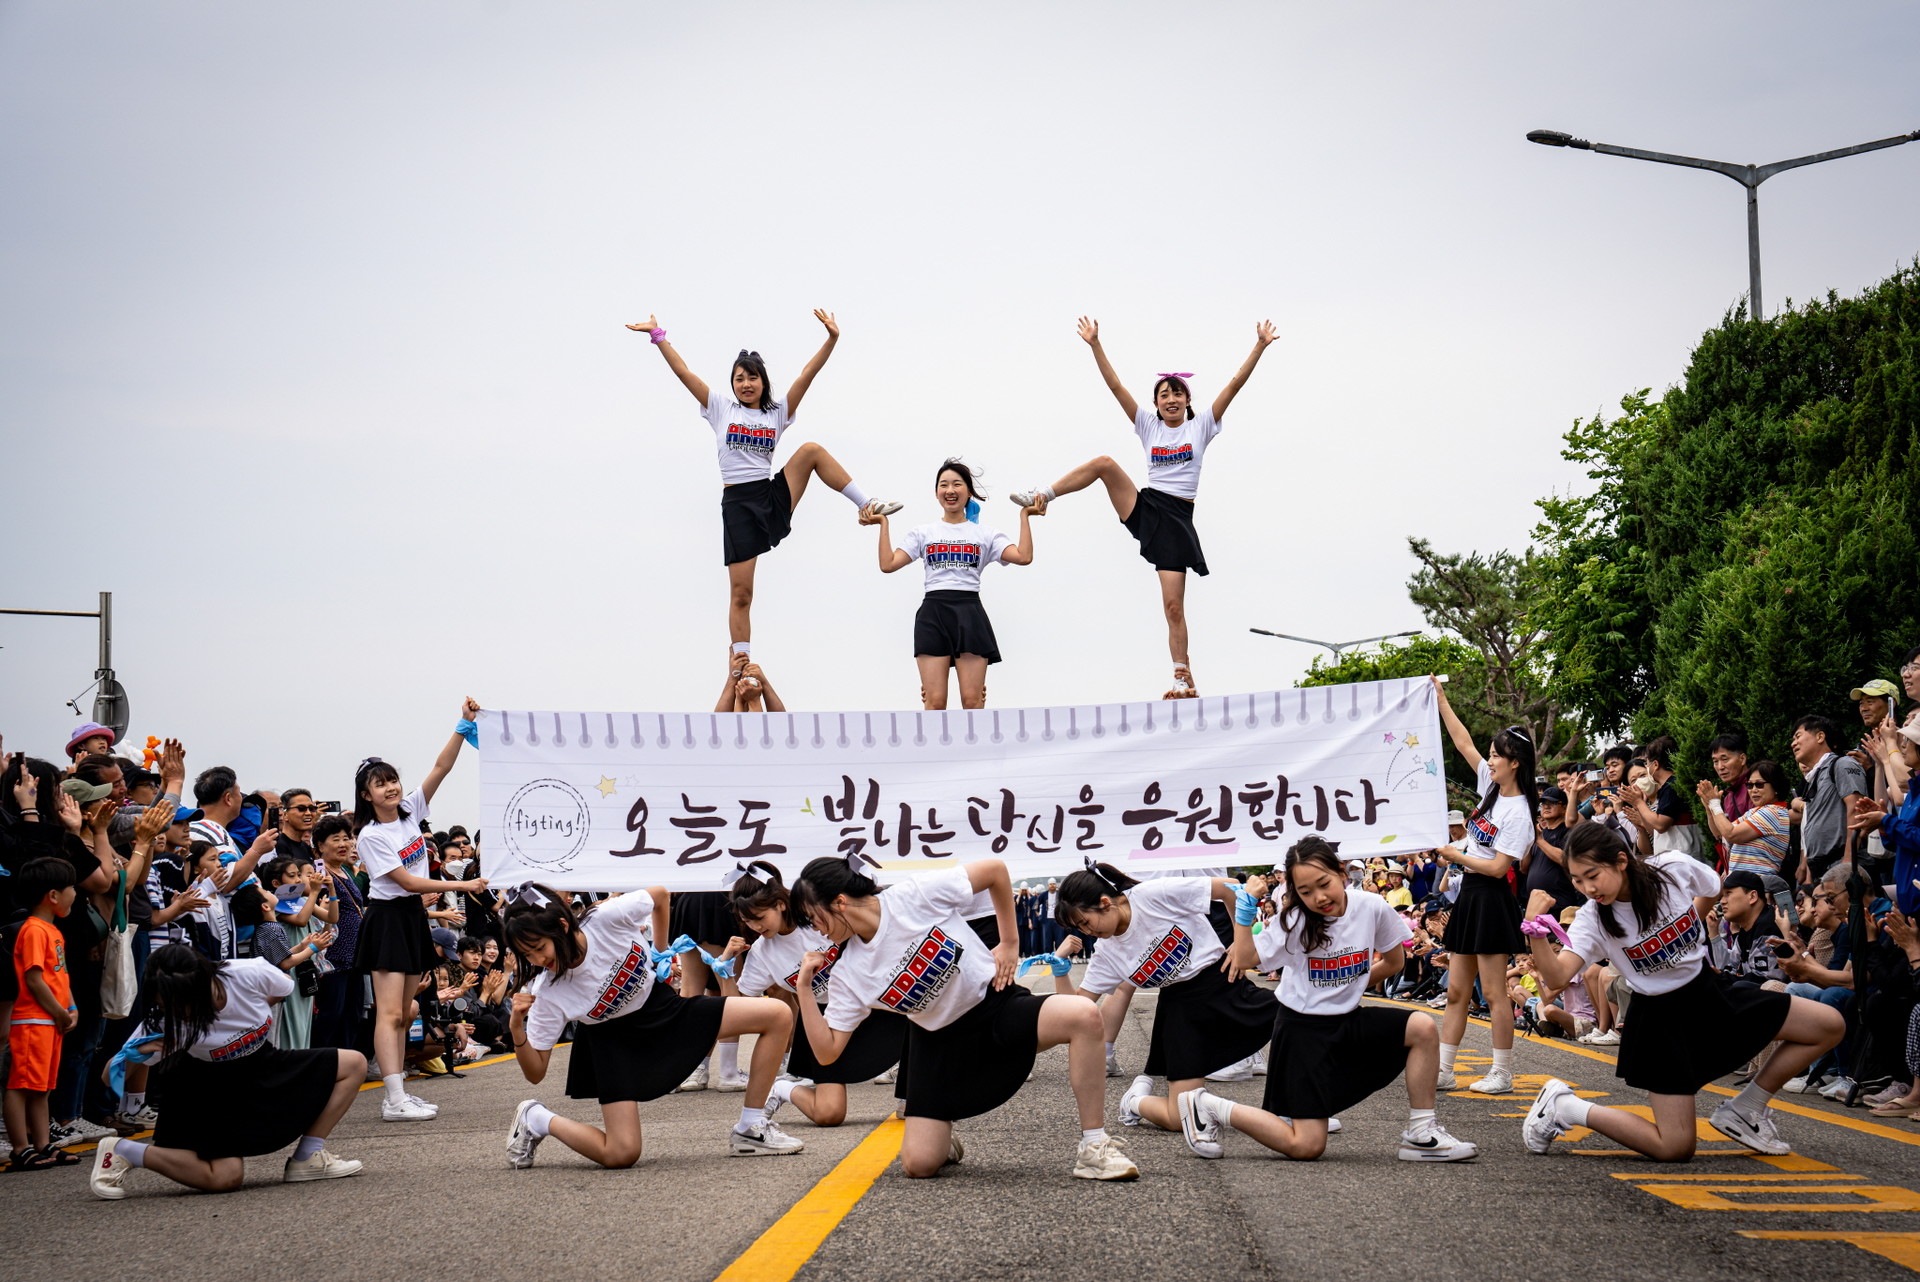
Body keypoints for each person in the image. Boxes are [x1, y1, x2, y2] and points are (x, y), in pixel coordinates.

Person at [788, 855, 1137, 1180]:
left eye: (813, 918)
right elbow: (828, 1053)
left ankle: (1094, 1146)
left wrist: (1009, 941)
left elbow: (994, 871)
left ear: (839, 902)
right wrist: (804, 988)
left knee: (1083, 1014)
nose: (816, 930)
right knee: (919, 1165)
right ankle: (937, 1136)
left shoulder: (913, 896)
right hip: (938, 1043)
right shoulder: (848, 972)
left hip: (995, 1006)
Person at [1517, 825, 1846, 1161]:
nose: (1587, 888)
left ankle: (1747, 1108)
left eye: (1592, 876)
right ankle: (1566, 1107)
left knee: (1828, 1024)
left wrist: (1688, 922)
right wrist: (1535, 928)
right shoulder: (1593, 919)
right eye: (1577, 880)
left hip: (1708, 993)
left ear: (1620, 861)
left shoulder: (1671, 868)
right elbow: (1557, 977)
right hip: (1660, 1023)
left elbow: (1712, 888)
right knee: (1674, 1147)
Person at [1010, 316, 1278, 700]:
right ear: (1156, 404)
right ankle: (1043, 496)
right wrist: (1095, 344)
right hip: (1146, 505)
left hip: (1176, 520)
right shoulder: (1149, 426)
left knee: (1173, 607)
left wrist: (1260, 346)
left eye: (1177, 394)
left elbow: (1234, 385)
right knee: (1104, 463)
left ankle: (1182, 677)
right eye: (1164, 395)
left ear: (1187, 401)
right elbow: (1115, 386)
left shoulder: (1200, 427)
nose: (1171, 399)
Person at [1175, 837, 1475, 1163]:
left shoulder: (1371, 907)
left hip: (1347, 1020)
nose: (1318, 897)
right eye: (1305, 891)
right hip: (1302, 1032)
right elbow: (1246, 959)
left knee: (1422, 1027)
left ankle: (1422, 1133)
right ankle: (1208, 1105)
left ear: (1342, 873)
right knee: (1307, 1146)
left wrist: (1349, 986)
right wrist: (1245, 916)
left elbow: (1394, 962)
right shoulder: (1294, 920)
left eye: (1324, 884)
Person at [625, 310, 898, 654]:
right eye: (739, 379)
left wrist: (831, 339)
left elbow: (807, 374)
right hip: (738, 505)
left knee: (811, 451)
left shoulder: (776, 413)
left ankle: (866, 503)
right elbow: (684, 373)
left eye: (752, 378)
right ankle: (743, 662)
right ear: (732, 384)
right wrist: (658, 335)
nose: (746, 384)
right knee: (742, 594)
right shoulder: (721, 409)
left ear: (763, 382)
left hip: (768, 494)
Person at [501, 882, 803, 1169]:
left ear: (562, 926)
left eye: (539, 947)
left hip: (661, 1008)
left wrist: (660, 950)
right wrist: (517, 1030)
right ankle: (537, 1118)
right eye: (527, 954)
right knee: (621, 1153)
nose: (537, 960)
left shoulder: (606, 917)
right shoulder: (548, 991)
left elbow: (660, 895)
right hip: (613, 1044)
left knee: (777, 1014)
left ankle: (750, 1127)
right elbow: (536, 1072)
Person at [88, 944, 367, 1197]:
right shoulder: (165, 1021)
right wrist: (138, 1053)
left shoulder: (247, 974)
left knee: (353, 1063)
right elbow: (109, 1077)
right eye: (165, 1005)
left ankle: (307, 1158)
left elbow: (284, 988)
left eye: (183, 1002)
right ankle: (124, 1151)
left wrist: (249, 1013)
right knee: (225, 1178)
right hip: (213, 1089)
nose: (178, 1012)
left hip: (263, 1063)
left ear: (202, 981)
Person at [1049, 862, 1277, 1146]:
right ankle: (1135, 1102)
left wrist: (1240, 944)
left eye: (1085, 922)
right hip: (1180, 1012)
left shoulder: (1151, 895)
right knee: (1178, 1118)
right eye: (1079, 928)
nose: (1086, 932)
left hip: (1223, 982)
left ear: (1105, 903)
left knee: (1293, 1020)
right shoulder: (1106, 952)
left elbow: (1230, 889)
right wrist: (1059, 968)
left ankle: (1295, 1108)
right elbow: (1076, 1007)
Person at [353, 698, 490, 1122]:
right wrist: (461, 884)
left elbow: (441, 767)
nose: (390, 788)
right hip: (388, 919)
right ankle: (393, 1097)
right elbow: (408, 883)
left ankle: (399, 1095)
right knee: (391, 1013)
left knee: (406, 1012)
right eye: (380, 784)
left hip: (412, 918)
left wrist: (462, 725)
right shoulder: (370, 836)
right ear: (366, 795)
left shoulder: (410, 811)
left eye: (393, 780)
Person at [725, 862, 906, 1128]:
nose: (754, 927)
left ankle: (910, 1089)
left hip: (870, 1000)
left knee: (920, 1011)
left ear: (780, 904)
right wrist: (724, 969)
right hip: (825, 1019)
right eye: (747, 921)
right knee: (828, 1114)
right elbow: (740, 1007)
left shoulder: (816, 920)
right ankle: (782, 1088)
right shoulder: (762, 952)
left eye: (759, 918)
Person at [862, 458, 1043, 710]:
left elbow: (1023, 556)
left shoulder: (986, 534)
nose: (950, 490)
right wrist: (883, 523)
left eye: (957, 484)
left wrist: (1025, 515)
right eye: (944, 485)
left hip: (969, 612)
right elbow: (888, 564)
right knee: (935, 702)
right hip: (933, 613)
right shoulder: (923, 533)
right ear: (936, 492)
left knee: (972, 701)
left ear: (969, 492)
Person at [1431, 676, 1534, 1095]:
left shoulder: (1520, 812)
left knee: (1493, 992)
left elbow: (1497, 869)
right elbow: (1462, 742)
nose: (1489, 761)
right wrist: (1440, 699)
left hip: (1490, 898)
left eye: (1496, 756)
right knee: (1457, 990)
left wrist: (1456, 856)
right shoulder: (1490, 789)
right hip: (1470, 897)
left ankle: (1502, 1072)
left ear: (1515, 763)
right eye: (1490, 754)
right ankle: (1444, 1069)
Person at [4, 858, 78, 1170]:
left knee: (42, 1086)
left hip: (50, 1019)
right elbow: (34, 979)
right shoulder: (34, 930)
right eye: (71, 888)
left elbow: (59, 975)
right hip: (33, 1019)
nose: (75, 894)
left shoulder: (51, 930)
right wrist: (60, 1011)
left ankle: (42, 1143)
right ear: (53, 895)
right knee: (21, 1085)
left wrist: (70, 1008)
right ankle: (21, 1148)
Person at [309, 815, 364, 1051]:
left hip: (353, 956)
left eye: (346, 838)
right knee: (331, 1015)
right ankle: (325, 1063)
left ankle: (347, 1063)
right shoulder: (319, 875)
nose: (344, 844)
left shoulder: (344, 871)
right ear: (320, 845)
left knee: (352, 1014)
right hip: (332, 957)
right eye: (336, 839)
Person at [1790, 714, 1866, 883]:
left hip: (1840, 865)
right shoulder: (1814, 777)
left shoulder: (1843, 764)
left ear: (1820, 737)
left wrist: (1848, 863)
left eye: (1798, 736)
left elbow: (1856, 810)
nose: (1793, 743)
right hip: (1821, 869)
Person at [1702, 760, 1794, 878]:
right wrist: (1709, 808)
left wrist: (1715, 804)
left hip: (1756, 884)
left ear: (1776, 787)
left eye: (1759, 785)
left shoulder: (1773, 812)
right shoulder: (1755, 812)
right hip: (1741, 883)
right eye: (1750, 785)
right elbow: (1721, 834)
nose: (1753, 790)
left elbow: (1731, 834)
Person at [1522, 786, 1584, 916]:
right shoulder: (1540, 833)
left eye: (1553, 803)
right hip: (1536, 905)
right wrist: (1528, 843)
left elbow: (1565, 859)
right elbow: (1524, 868)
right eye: (1543, 803)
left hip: (1560, 905)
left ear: (1564, 808)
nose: (1546, 806)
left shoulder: (1568, 831)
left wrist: (1539, 841)